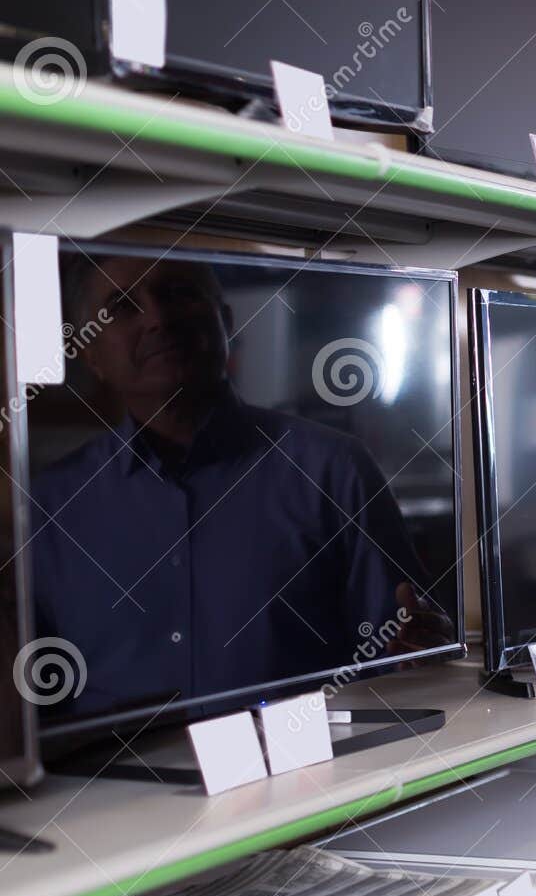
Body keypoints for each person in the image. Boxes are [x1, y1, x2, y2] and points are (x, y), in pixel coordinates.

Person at [30, 253, 451, 726]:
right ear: (91, 355)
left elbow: (401, 664)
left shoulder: (333, 471)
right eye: (123, 306)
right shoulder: (48, 505)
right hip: (115, 795)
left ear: (224, 320)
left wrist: (422, 649)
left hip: (300, 784)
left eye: (177, 294)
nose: (158, 318)